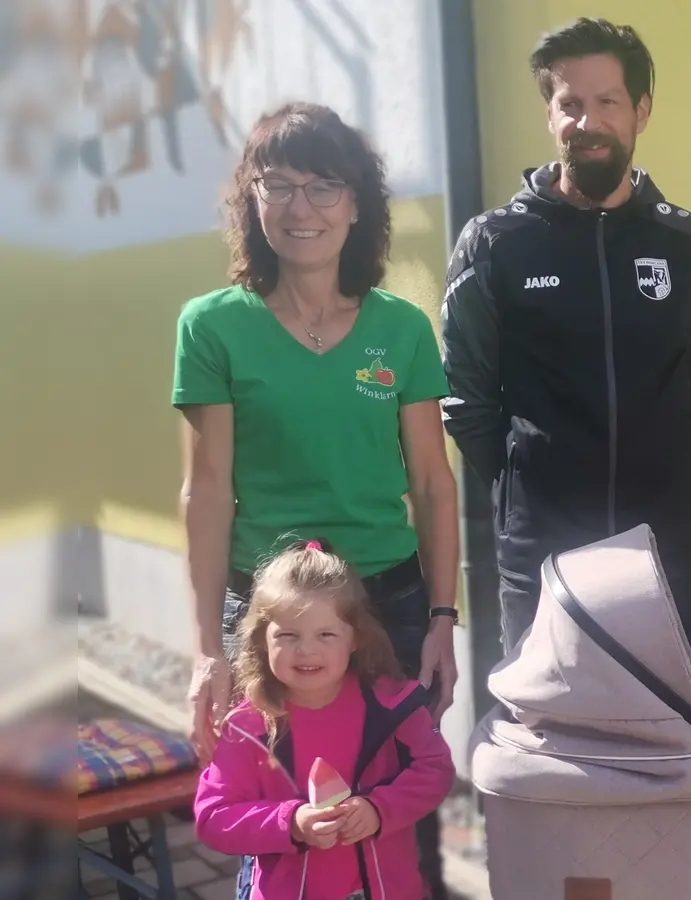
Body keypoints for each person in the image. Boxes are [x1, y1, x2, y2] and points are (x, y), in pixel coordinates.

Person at [173, 102, 459, 899]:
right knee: (274, 816)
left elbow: (432, 484)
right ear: (252, 199)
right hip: (270, 618)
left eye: (325, 185)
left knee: (398, 816)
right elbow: (207, 492)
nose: (303, 207)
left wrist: (443, 617)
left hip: (388, 609)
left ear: (357, 203)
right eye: (280, 185)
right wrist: (206, 649)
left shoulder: (401, 329)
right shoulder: (211, 327)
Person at [440, 18, 691, 660]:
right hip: (542, 555)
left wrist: (661, 472)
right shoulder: (494, 243)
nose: (588, 122)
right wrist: (526, 486)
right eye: (570, 103)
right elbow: (466, 399)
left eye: (608, 102)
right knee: (548, 718)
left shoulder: (687, 245)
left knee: (671, 714)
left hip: (662, 549)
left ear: (641, 112)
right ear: (549, 114)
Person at [193, 542, 456, 900]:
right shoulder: (247, 727)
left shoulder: (393, 705)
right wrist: (290, 823)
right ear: (262, 639)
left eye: (325, 635)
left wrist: (381, 808)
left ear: (355, 638)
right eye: (288, 635)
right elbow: (213, 817)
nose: (306, 650)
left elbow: (434, 771)